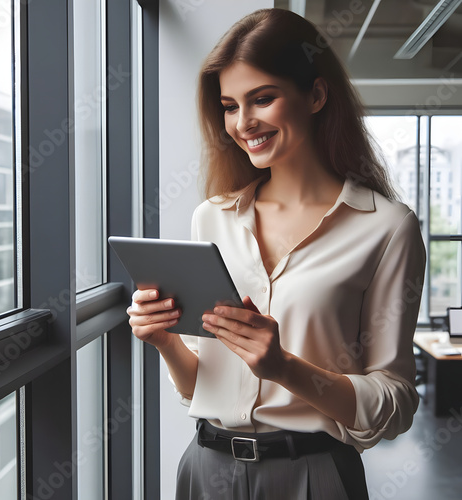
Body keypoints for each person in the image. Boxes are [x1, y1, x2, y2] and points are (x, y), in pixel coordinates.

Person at [127, 8, 426, 500]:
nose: (243, 124)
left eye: (262, 99)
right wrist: (164, 341)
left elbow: (394, 404)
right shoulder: (212, 217)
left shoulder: (387, 227)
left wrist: (284, 367)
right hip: (205, 470)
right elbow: (201, 383)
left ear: (316, 94)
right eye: (228, 106)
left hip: (315, 475)